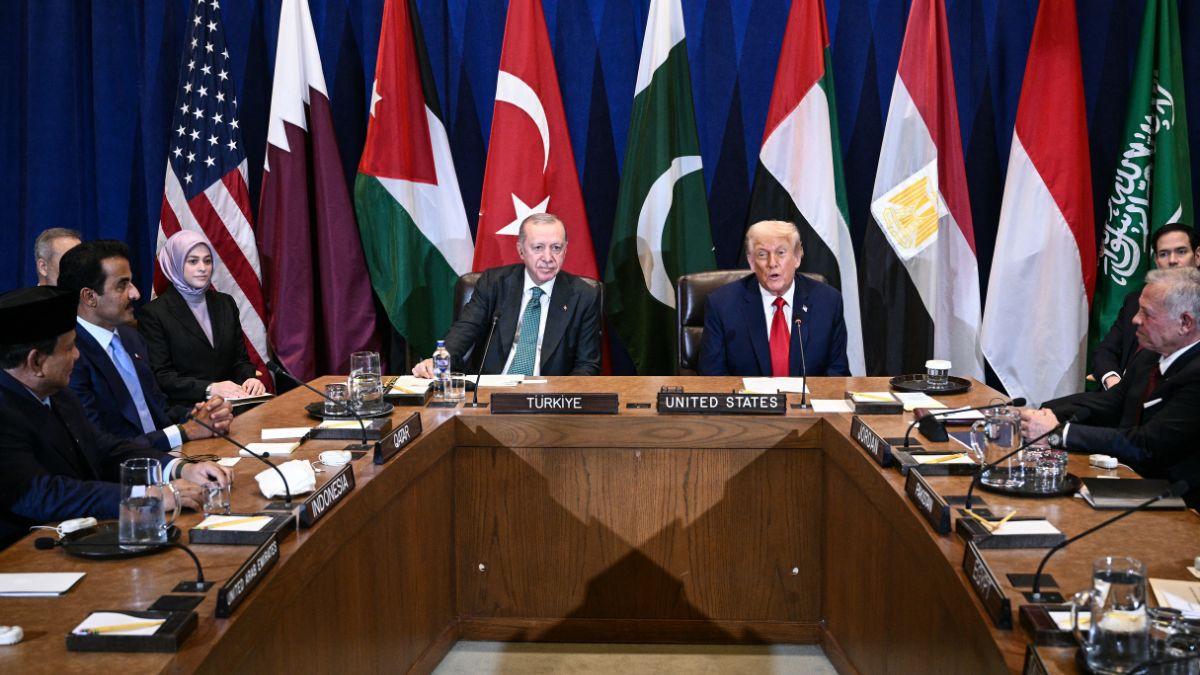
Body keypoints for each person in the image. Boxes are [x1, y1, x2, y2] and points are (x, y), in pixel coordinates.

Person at [0, 286, 231, 550]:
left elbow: (104, 449)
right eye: (69, 347)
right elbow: (41, 494)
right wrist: (145, 496)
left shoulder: (59, 394)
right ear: (36, 362)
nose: (77, 355)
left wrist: (179, 468)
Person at [1023, 267, 1200, 508]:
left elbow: (1146, 445)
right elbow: (1111, 403)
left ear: (1185, 322)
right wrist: (1045, 414)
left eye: (1147, 314)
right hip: (1128, 484)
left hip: (1182, 507)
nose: (1135, 319)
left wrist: (1058, 432)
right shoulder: (1150, 355)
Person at [57, 239, 234, 450]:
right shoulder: (70, 355)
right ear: (89, 297)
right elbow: (99, 445)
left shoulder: (131, 338)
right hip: (124, 473)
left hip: (171, 455)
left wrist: (200, 416)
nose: (135, 293)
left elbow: (158, 408)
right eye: (122, 285)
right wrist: (184, 431)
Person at [413, 213, 601, 377]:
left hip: (549, 398)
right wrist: (440, 360)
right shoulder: (494, 283)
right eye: (538, 247)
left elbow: (587, 365)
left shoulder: (584, 296)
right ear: (521, 250)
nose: (548, 257)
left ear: (566, 249)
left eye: (556, 248)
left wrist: (562, 400)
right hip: (491, 391)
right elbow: (465, 329)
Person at [698, 220, 849, 377]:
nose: (772, 263)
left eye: (781, 252)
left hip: (809, 400)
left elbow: (837, 374)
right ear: (751, 262)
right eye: (762, 254)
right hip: (749, 401)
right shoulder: (722, 305)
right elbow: (712, 376)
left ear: (797, 257)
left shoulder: (828, 302)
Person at [137, 231, 266, 407]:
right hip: (189, 410)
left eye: (207, 260)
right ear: (174, 263)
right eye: (192, 261)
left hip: (235, 403)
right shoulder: (154, 314)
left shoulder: (225, 303)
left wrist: (249, 379)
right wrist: (210, 388)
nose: (202, 268)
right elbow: (162, 376)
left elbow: (240, 360)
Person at [1093, 223, 1200, 389]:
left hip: (1172, 398)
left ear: (1198, 256)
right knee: (1050, 409)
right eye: (1164, 254)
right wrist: (1113, 382)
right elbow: (1105, 352)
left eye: (1181, 252)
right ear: (1156, 261)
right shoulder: (1135, 302)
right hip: (1116, 396)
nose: (1172, 261)